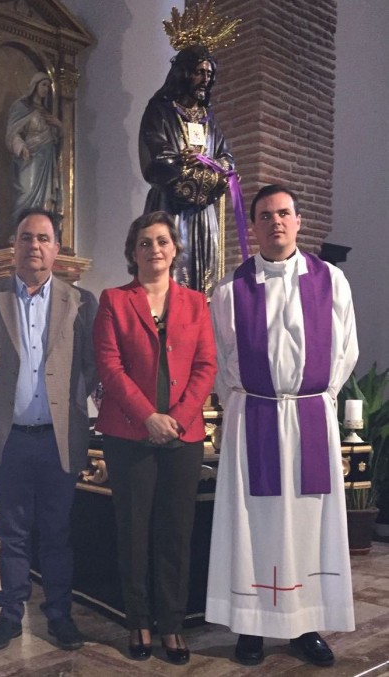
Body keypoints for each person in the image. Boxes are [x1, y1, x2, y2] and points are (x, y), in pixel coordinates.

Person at [205, 185, 359, 667]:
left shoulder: (330, 280)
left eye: (284, 214)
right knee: (254, 522)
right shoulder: (231, 290)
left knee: (308, 523)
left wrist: (317, 397)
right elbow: (220, 357)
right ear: (253, 227)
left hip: (310, 416)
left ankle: (305, 623)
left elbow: (346, 347)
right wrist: (252, 400)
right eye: (266, 215)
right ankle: (252, 626)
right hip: (254, 417)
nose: (276, 222)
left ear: (298, 221)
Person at [92, 210, 216, 664]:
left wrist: (178, 420)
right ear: (133, 252)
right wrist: (147, 416)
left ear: (174, 250)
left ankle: (172, 624)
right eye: (145, 242)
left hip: (183, 437)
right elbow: (109, 365)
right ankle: (139, 622)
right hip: (128, 434)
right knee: (133, 531)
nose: (155, 249)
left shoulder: (196, 303)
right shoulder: (113, 300)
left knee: (175, 534)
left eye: (162, 241)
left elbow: (206, 368)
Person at [0, 207, 97, 653]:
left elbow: (89, 367)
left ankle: (59, 615)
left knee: (58, 532)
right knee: (12, 531)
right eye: (27, 238)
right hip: (9, 436)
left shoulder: (81, 301)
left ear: (56, 249)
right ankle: (9, 615)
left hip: (58, 437)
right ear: (15, 244)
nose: (35, 247)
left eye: (44, 239)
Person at [139, 44, 234, 296]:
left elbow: (226, 159)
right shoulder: (161, 109)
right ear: (183, 73)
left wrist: (210, 167)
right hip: (171, 206)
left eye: (209, 74)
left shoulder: (208, 117)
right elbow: (159, 157)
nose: (206, 79)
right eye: (199, 72)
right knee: (171, 268)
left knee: (205, 282)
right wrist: (194, 169)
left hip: (203, 213)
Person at [5, 73, 63, 242]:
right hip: (29, 157)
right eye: (43, 85)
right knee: (25, 192)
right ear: (35, 86)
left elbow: (58, 141)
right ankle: (19, 234)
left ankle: (43, 234)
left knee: (44, 200)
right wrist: (20, 146)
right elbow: (12, 132)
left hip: (46, 160)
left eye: (48, 86)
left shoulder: (47, 113)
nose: (46, 89)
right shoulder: (21, 107)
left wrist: (59, 126)